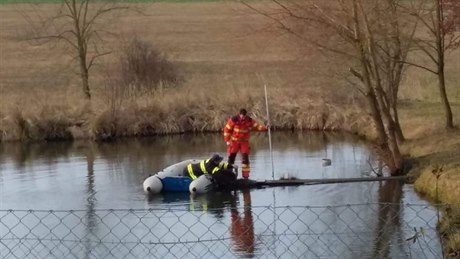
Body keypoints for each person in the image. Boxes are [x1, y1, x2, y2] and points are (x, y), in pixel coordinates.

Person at [223, 108, 268, 179]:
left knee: (245, 159)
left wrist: (264, 128)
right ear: (239, 114)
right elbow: (227, 130)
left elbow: (256, 126)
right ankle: (229, 174)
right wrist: (227, 140)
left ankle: (245, 176)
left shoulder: (249, 120)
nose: (243, 118)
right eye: (241, 116)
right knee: (231, 158)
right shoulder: (234, 120)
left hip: (244, 142)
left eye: (244, 116)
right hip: (234, 142)